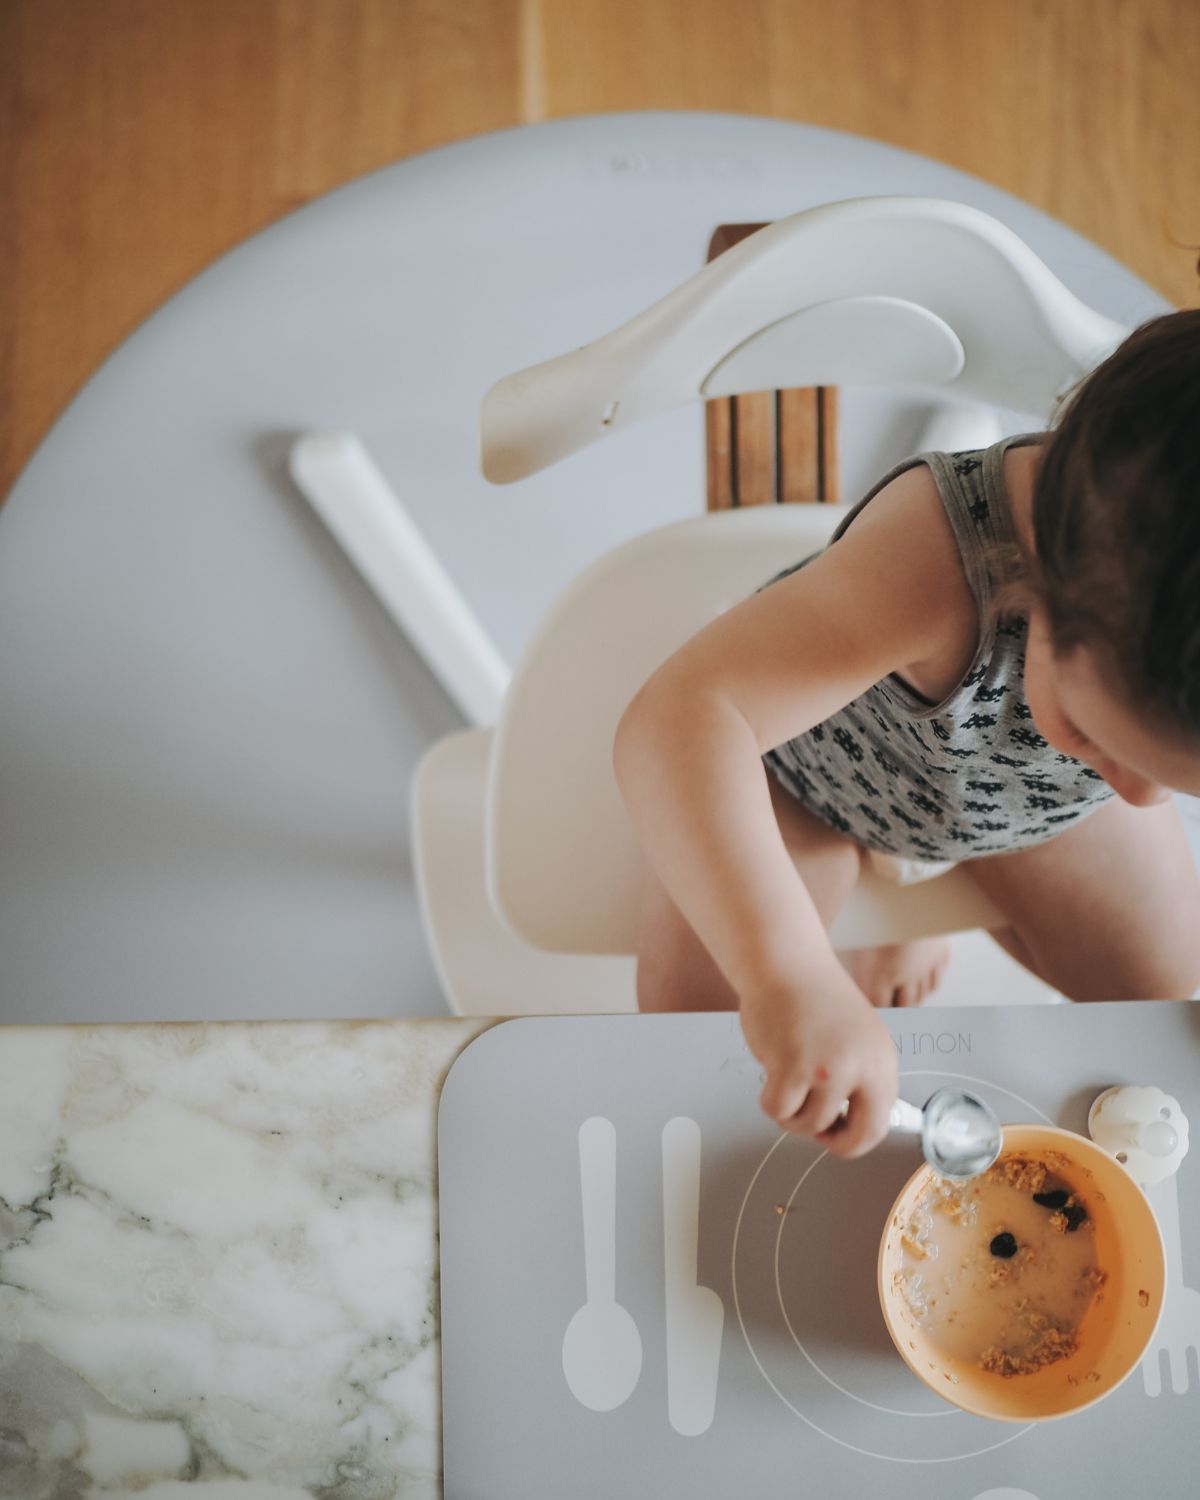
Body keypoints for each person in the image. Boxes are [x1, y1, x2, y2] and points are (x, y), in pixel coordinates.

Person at [613, 310, 1200, 1162]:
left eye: (1178, 778)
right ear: (1040, 572)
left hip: (1012, 810)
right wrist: (790, 974)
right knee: (697, 1047)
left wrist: (1100, 749)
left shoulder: (1128, 715)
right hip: (806, 778)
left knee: (1161, 997)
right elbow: (680, 716)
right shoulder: (938, 559)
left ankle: (929, 884)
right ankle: (889, 898)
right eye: (1092, 733)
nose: (1140, 795)